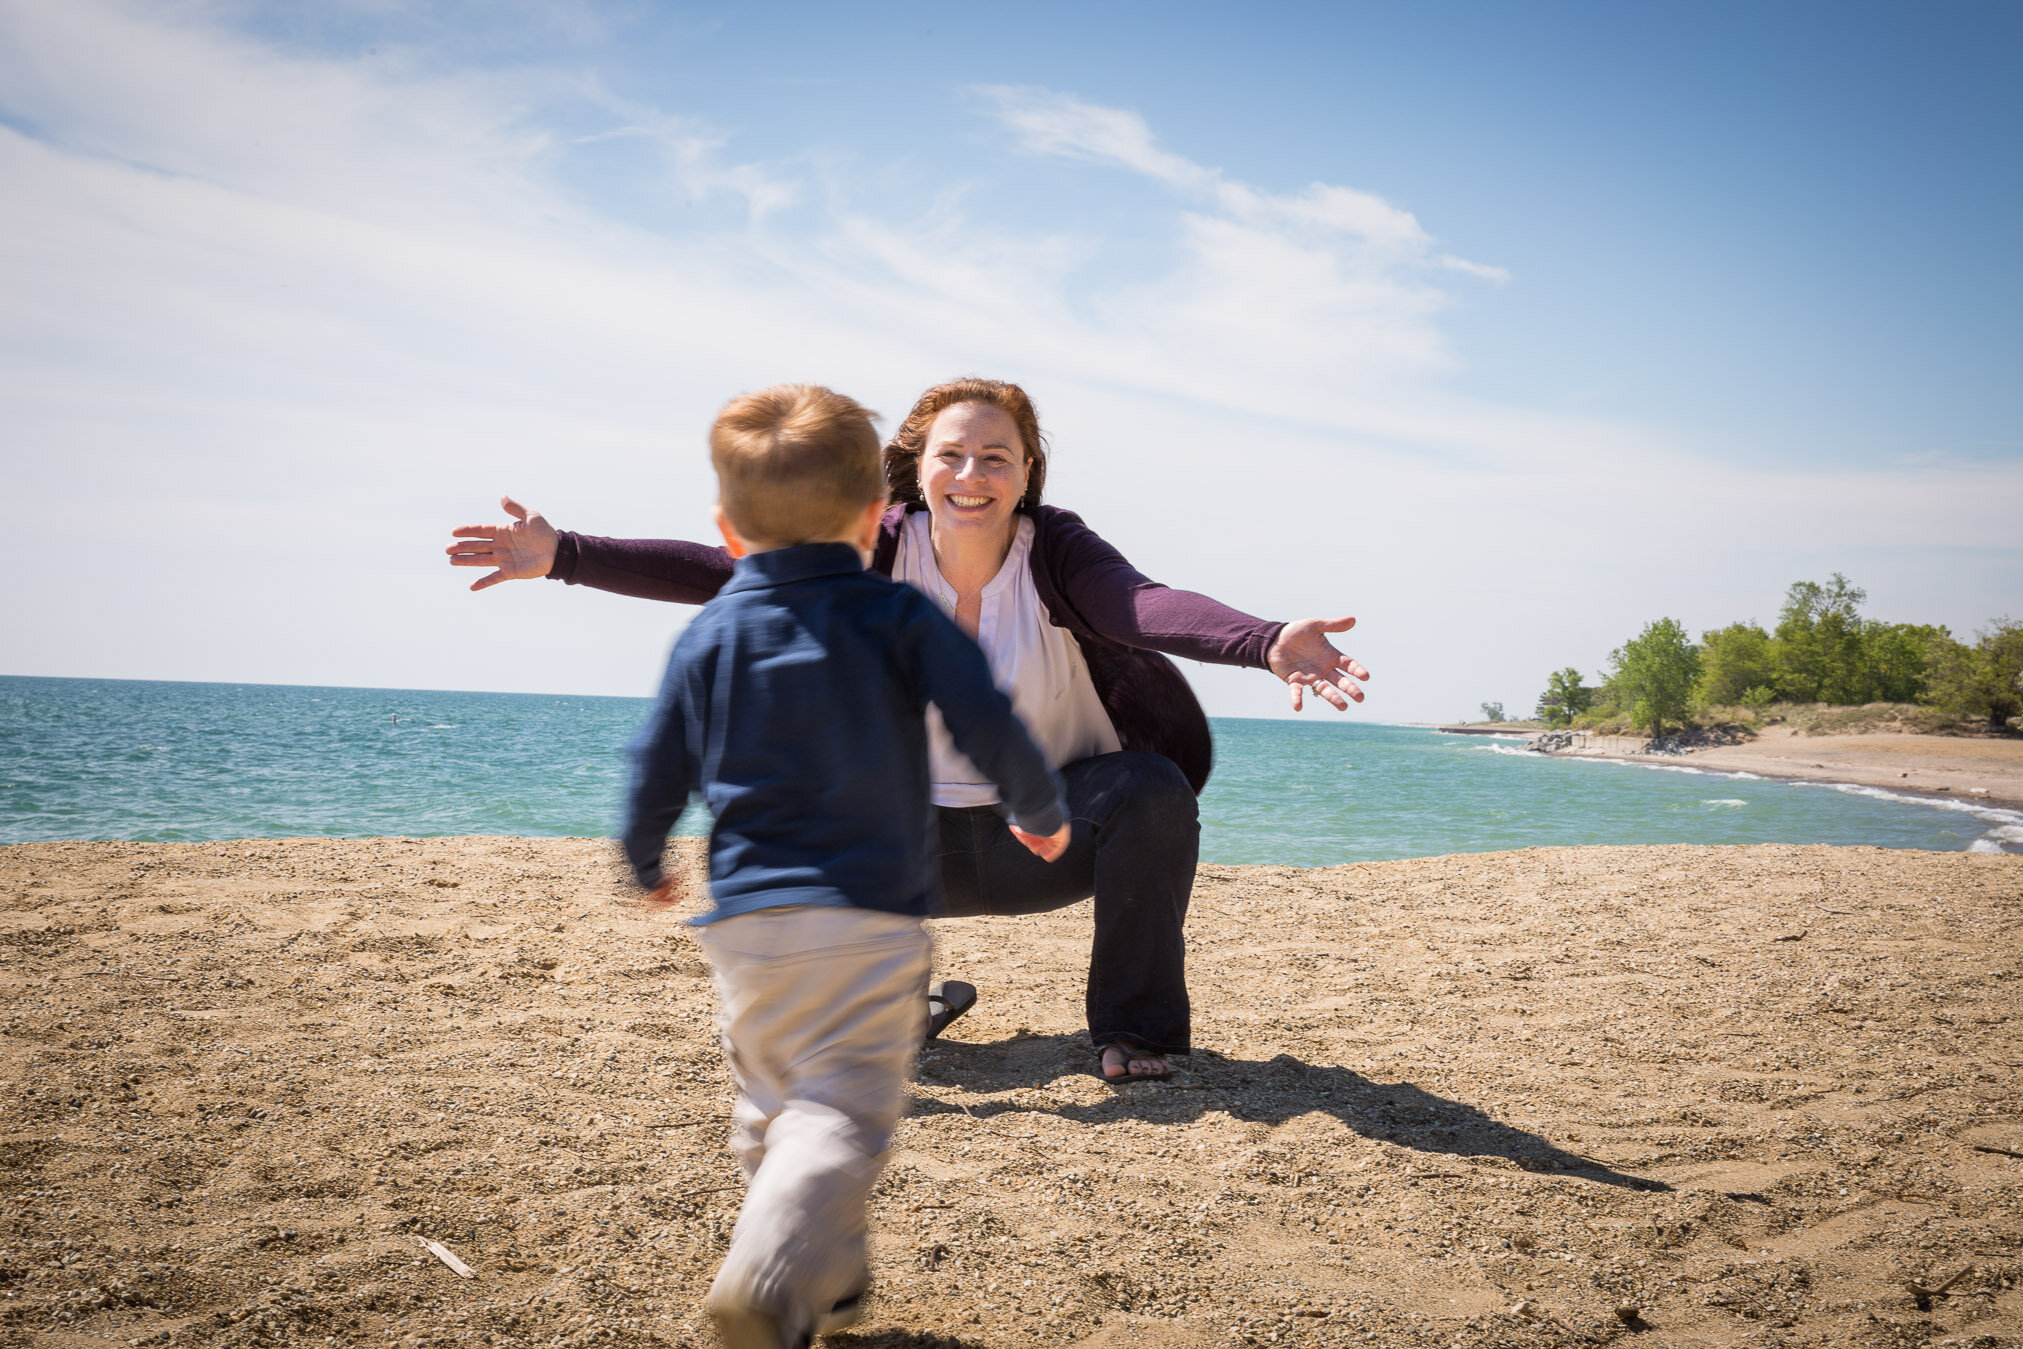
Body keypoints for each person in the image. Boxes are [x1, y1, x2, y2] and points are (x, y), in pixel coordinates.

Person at [449, 376, 1370, 1084]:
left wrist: (1262, 641)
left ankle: (1135, 1032)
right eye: (952, 456)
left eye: (997, 458)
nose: (972, 476)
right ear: (918, 466)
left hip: (1040, 840)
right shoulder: (872, 548)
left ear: (1027, 474)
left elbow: (1140, 605)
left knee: (1149, 789)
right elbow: (724, 571)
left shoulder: (1057, 551)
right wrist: (566, 554)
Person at [624, 384, 1070, 1349]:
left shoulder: (708, 632)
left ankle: (821, 1278)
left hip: (742, 921)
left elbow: (660, 759)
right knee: (843, 1108)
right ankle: (770, 1269)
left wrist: (642, 854)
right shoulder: (897, 619)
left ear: (725, 532)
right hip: (866, 913)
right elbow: (986, 719)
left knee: (772, 1098)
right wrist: (1037, 808)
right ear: (877, 514)